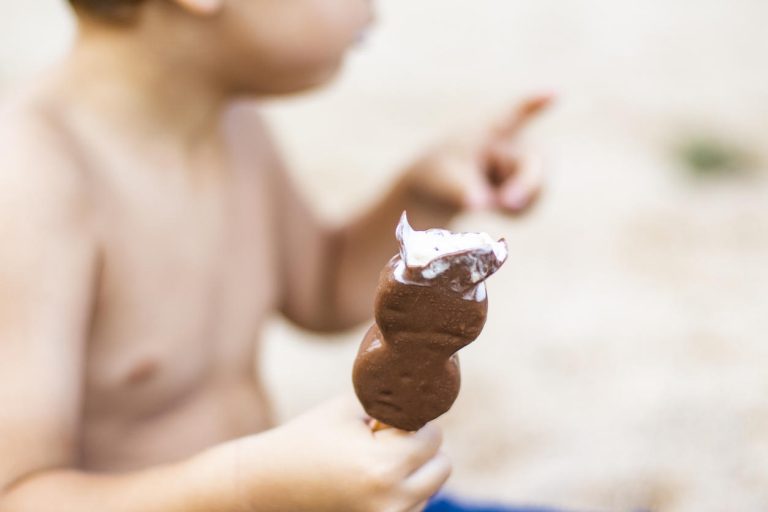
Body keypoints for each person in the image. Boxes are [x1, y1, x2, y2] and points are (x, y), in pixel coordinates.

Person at [0, 0, 550, 510]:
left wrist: (426, 194)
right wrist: (250, 487)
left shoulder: (232, 125)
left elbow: (324, 287)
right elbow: (18, 496)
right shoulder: (33, 182)